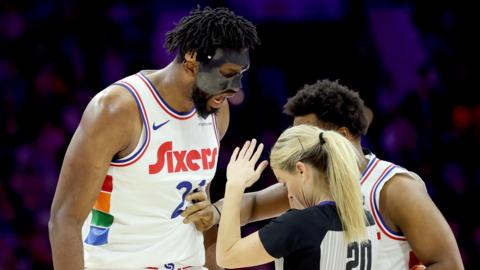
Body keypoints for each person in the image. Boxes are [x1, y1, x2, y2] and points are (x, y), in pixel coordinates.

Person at [48, 6, 260, 270]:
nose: (236, 88)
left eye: (241, 75)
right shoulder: (118, 109)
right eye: (227, 75)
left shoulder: (216, 110)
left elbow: (200, 210)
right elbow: (64, 219)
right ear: (192, 59)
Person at [193, 80, 463, 269]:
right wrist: (214, 213)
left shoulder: (393, 189)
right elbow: (251, 205)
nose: (300, 145)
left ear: (342, 136)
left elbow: (448, 263)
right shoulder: (314, 185)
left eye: (308, 136)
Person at [215, 128, 379, 269]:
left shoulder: (300, 223)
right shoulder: (367, 219)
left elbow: (227, 256)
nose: (288, 194)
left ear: (301, 170)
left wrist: (234, 186)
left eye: (284, 183)